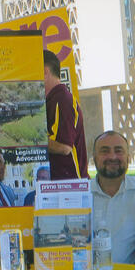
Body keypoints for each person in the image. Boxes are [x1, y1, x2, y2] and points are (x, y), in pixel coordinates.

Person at [92, 131, 135, 264]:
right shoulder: (78, 194)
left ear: (128, 157)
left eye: (119, 150)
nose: (112, 156)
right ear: (94, 158)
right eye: (104, 151)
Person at [43, 49, 89, 180]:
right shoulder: (55, 99)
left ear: (45, 72)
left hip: (70, 186)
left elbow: (64, 147)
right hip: (62, 184)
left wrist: (29, 143)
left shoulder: (61, 99)